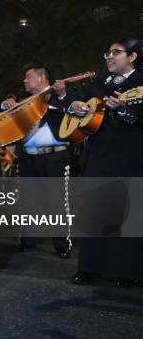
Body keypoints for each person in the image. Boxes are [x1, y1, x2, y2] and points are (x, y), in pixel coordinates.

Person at [55, 38, 143, 287]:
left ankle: (129, 271)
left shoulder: (140, 83)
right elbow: (72, 102)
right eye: (107, 53)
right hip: (98, 155)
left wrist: (124, 109)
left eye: (116, 52)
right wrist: (74, 105)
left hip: (130, 156)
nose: (109, 57)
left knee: (128, 213)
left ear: (133, 56)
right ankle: (90, 267)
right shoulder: (99, 83)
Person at [0, 65, 72, 258]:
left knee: (57, 201)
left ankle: (62, 243)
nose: (24, 81)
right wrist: (6, 104)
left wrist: (61, 94)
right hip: (28, 157)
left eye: (28, 77)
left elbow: (71, 111)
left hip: (54, 156)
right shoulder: (26, 103)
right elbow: (11, 125)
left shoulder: (60, 97)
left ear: (42, 78)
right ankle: (27, 239)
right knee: (27, 199)